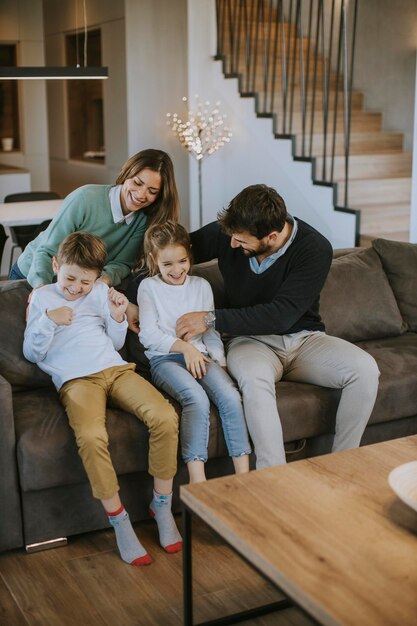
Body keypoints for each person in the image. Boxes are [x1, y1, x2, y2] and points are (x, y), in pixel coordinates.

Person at [174, 184, 380, 469]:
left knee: (365, 370)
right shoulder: (231, 233)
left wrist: (210, 318)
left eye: (241, 240)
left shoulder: (314, 248)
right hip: (249, 342)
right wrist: (129, 294)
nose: (232, 244)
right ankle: (274, 477)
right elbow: (169, 250)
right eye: (232, 236)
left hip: (305, 340)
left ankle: (342, 466)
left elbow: (281, 315)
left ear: (272, 236)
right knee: (254, 381)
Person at [23, 231, 182, 566]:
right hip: (76, 381)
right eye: (70, 278)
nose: (76, 287)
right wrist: (49, 322)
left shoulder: (97, 293)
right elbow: (32, 353)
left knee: (165, 416)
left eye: (85, 281)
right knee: (92, 437)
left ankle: (162, 506)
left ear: (96, 277)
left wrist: (117, 315)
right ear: (55, 265)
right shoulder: (42, 298)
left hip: (116, 369)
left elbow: (116, 342)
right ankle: (120, 522)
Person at [137, 221, 251, 483]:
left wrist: (220, 363)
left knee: (231, 397)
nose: (176, 270)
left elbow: (210, 332)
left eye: (182, 261)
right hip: (165, 360)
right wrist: (185, 348)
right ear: (154, 260)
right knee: (196, 400)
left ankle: (245, 479)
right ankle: (198, 483)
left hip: (202, 356)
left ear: (189, 254)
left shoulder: (201, 286)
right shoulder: (149, 288)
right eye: (167, 265)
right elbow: (149, 335)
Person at [9, 148, 180, 289]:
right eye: (137, 183)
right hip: (33, 275)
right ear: (127, 174)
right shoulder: (84, 198)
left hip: (78, 285)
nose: (141, 195)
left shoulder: (143, 219)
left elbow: (122, 264)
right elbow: (47, 251)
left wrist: (100, 282)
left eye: (152, 191)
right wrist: (42, 291)